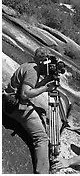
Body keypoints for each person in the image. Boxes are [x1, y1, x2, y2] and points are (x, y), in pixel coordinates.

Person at [2, 46, 57, 174]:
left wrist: (46, 80)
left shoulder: (29, 66)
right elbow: (25, 94)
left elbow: (31, 86)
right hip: (17, 107)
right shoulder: (33, 71)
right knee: (42, 138)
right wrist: (46, 89)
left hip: (9, 100)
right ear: (43, 61)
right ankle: (42, 172)